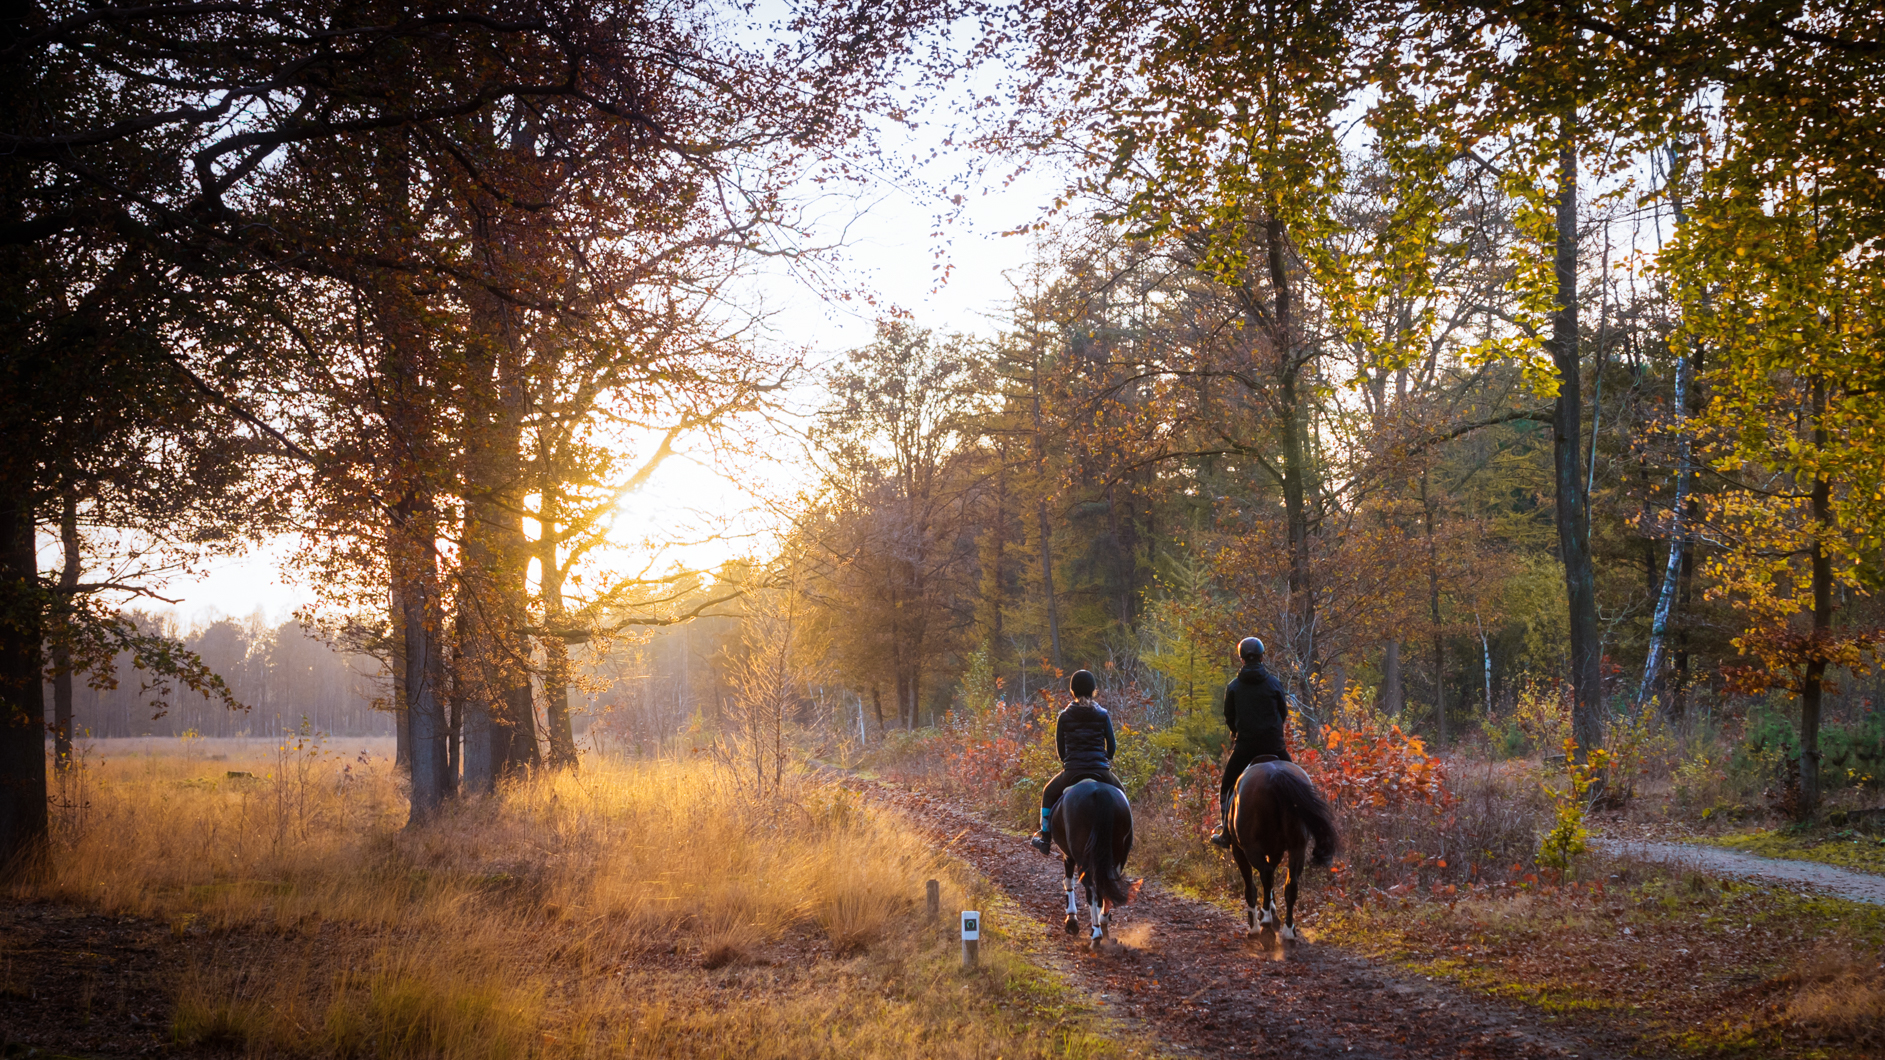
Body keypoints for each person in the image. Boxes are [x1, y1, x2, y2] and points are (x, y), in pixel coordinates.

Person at [1030, 669, 1126, 855]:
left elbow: (1061, 753)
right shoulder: (1103, 715)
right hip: (1101, 771)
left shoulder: (1064, 716)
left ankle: (1045, 838)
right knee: (1122, 794)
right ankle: (1126, 837)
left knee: (1048, 792)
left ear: (1072, 691)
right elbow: (1112, 749)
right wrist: (1102, 757)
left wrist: (1073, 760)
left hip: (1072, 771)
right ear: (1093, 690)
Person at [1209, 636, 1292, 849]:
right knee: (1300, 783)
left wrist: (1238, 733)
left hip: (1246, 748)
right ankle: (1307, 827)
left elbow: (1229, 716)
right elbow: (1283, 713)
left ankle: (1226, 832)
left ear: (1242, 659)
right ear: (1262, 657)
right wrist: (1274, 735)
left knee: (1227, 786)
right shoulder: (1274, 683)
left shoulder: (1234, 687)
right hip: (1275, 746)